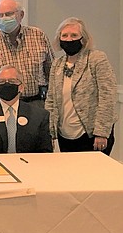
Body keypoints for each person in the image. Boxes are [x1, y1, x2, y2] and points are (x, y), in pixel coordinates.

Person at [45, 17, 118, 155]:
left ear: (83, 39)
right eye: (64, 35)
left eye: (74, 35)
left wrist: (101, 132)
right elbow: (51, 100)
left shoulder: (96, 59)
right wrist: (50, 131)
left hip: (92, 134)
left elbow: (107, 96)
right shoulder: (57, 64)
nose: (69, 39)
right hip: (65, 134)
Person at [0, 0, 54, 107]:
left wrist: (50, 104)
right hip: (4, 106)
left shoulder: (38, 36)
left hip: (37, 103)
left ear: (21, 15)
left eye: (9, 14)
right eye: (0, 15)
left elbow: (52, 72)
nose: (4, 18)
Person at [0, 65, 52, 154]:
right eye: (2, 82)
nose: (6, 84)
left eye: (12, 81)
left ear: (21, 87)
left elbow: (44, 153)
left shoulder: (39, 116)